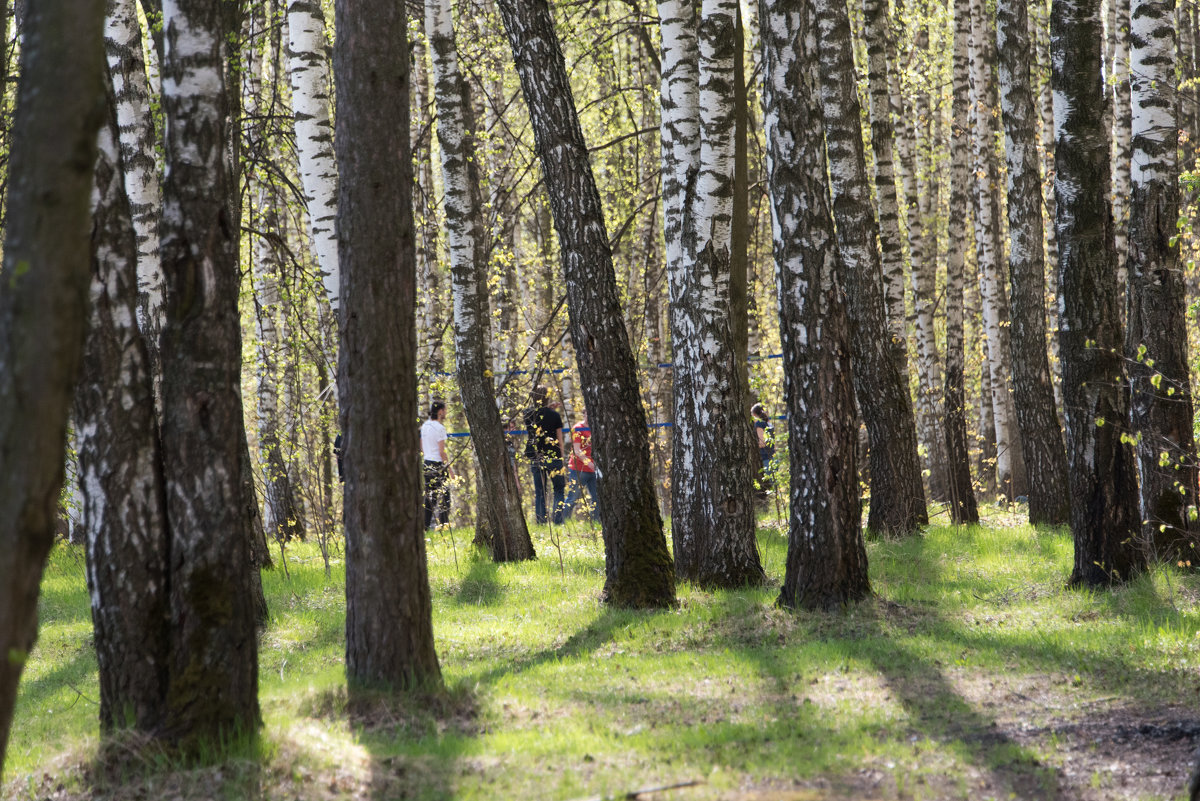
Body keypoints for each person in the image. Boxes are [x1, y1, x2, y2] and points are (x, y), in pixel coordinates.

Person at [523, 385, 566, 524]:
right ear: (547, 397)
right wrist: (562, 457)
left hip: (536, 456)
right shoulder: (555, 416)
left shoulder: (528, 414)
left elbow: (538, 415)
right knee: (559, 489)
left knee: (540, 491)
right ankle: (558, 521)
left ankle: (541, 521)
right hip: (553, 456)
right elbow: (560, 440)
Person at [421, 401, 453, 529]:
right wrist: (450, 469)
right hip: (438, 465)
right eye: (444, 410)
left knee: (430, 497)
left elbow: (421, 447)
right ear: (440, 412)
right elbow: (441, 452)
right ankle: (444, 524)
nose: (445, 413)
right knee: (446, 495)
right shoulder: (440, 428)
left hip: (427, 463)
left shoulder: (424, 426)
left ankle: (426, 526)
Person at [565, 409, 599, 522]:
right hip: (579, 469)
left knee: (597, 498)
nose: (589, 416)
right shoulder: (578, 428)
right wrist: (589, 463)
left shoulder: (597, 427)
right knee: (573, 498)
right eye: (586, 414)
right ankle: (562, 522)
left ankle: (597, 523)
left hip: (594, 469)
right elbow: (577, 450)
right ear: (584, 414)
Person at [752, 402, 775, 475]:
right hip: (772, 456)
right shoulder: (768, 423)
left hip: (765, 457)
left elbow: (762, 443)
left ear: (754, 414)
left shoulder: (759, 423)